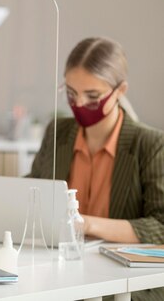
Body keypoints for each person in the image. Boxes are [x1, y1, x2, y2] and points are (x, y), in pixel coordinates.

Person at [30, 37, 164, 300]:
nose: (78, 104)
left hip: (125, 283)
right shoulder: (58, 133)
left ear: (120, 90)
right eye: (70, 93)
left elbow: (161, 225)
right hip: (61, 275)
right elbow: (36, 189)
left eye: (92, 97)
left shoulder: (150, 145)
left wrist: (85, 224)